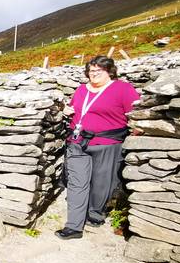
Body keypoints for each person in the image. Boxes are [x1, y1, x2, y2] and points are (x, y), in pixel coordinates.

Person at [55, 55, 140, 240]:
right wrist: (66, 110)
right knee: (77, 183)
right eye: (90, 71)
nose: (93, 74)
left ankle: (95, 212)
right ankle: (74, 226)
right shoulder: (81, 90)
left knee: (103, 184)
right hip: (78, 143)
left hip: (108, 144)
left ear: (109, 71)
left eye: (98, 70)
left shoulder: (122, 89)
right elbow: (72, 107)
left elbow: (136, 113)